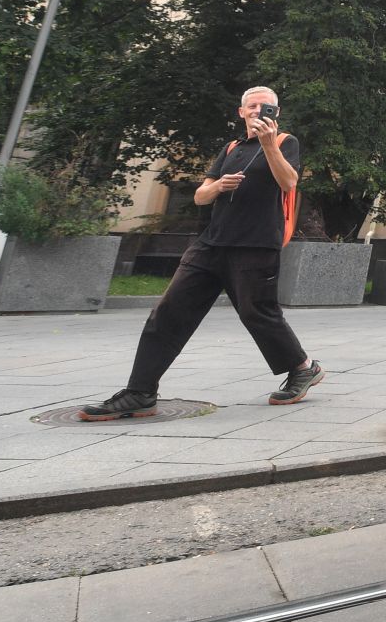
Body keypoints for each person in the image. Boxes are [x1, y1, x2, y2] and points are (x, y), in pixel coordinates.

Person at [80, 87, 322, 419]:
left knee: (258, 314)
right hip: (210, 245)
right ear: (241, 112)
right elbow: (199, 197)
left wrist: (268, 145)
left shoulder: (284, 143)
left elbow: (289, 182)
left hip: (256, 244)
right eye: (252, 105)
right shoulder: (231, 148)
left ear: (276, 113)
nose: (258, 110)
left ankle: (303, 368)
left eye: (266, 106)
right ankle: (140, 392)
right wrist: (217, 186)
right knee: (168, 312)